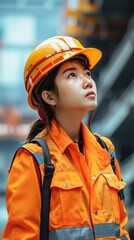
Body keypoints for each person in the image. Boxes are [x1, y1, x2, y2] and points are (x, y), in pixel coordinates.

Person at [3, 36, 130, 240]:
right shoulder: (33, 160)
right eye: (72, 75)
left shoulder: (106, 150)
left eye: (87, 73)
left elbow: (120, 229)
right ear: (49, 96)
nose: (87, 81)